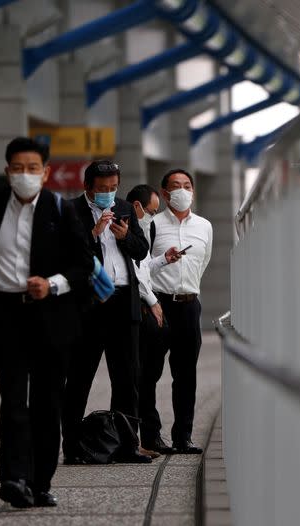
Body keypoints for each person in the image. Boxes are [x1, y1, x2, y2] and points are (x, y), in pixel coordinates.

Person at [0, 137, 93, 508]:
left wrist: (53, 284)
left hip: (50, 317)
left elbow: (83, 265)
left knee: (47, 402)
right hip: (5, 313)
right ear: (7, 171)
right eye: (18, 168)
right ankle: (13, 477)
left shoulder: (61, 209)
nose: (25, 175)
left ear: (45, 173)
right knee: (12, 399)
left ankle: (40, 482)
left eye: (33, 168)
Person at [61, 160, 151, 464]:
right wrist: (94, 233)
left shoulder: (124, 208)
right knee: (79, 377)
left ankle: (128, 444)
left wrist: (126, 236)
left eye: (113, 188)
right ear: (88, 187)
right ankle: (72, 447)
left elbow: (142, 250)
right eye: (102, 189)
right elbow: (66, 254)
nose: (108, 194)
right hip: (90, 304)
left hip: (124, 301)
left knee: (127, 378)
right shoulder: (71, 211)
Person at [149, 169, 213, 454]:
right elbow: (143, 265)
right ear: (164, 193)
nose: (182, 190)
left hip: (189, 305)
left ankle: (183, 436)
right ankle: (150, 437)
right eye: (176, 186)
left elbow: (203, 261)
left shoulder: (204, 226)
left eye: (187, 185)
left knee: (186, 375)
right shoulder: (152, 224)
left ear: (193, 191)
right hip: (158, 306)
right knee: (148, 373)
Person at [125, 184, 182, 455]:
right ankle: (137, 439)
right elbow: (132, 276)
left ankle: (149, 436)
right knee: (139, 378)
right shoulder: (123, 230)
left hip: (149, 309)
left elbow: (144, 267)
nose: (153, 215)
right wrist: (154, 302)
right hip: (140, 310)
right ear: (137, 206)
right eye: (151, 210)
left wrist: (163, 260)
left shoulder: (142, 230)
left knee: (149, 377)